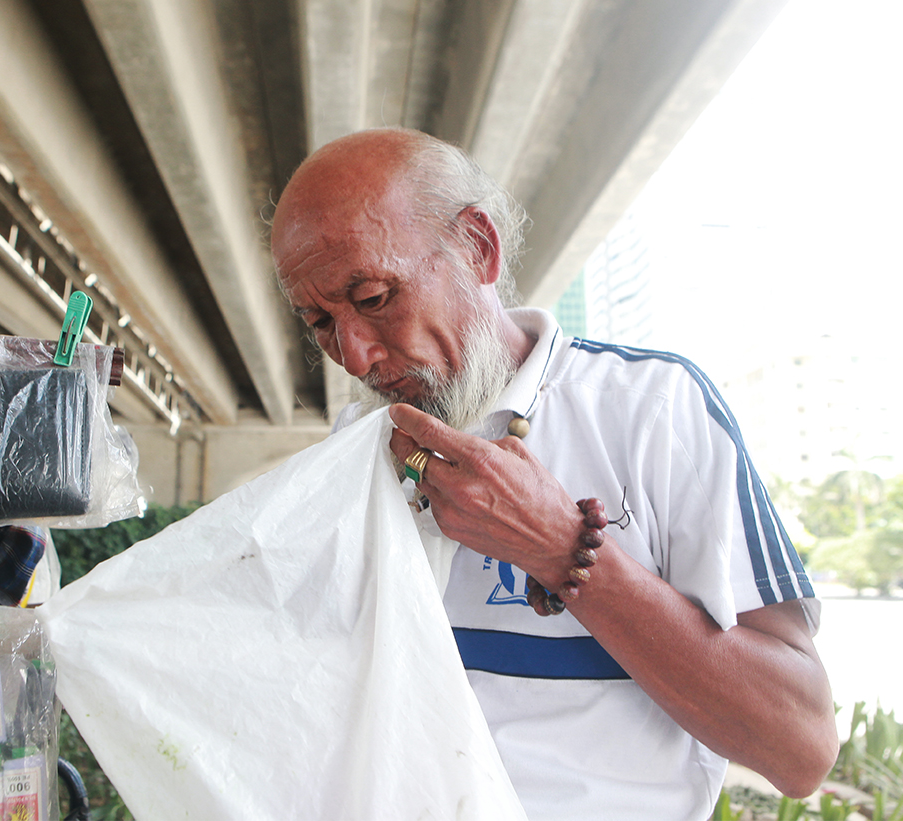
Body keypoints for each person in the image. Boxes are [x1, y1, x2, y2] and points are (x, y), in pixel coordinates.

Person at [270, 127, 838, 820]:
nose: (354, 357)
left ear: (477, 247)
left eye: (374, 296)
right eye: (320, 321)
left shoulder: (652, 410)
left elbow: (799, 747)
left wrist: (562, 548)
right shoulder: (358, 441)